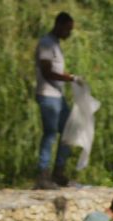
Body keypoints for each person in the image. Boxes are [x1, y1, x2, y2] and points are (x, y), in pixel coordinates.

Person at [34, 12, 81, 190]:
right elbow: (46, 72)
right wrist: (69, 78)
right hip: (47, 95)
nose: (69, 33)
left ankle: (58, 172)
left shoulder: (56, 45)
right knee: (51, 133)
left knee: (69, 130)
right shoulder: (46, 43)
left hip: (57, 97)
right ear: (59, 25)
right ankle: (43, 174)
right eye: (68, 29)